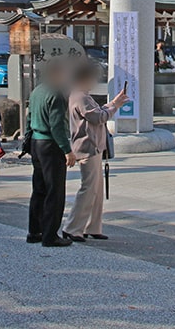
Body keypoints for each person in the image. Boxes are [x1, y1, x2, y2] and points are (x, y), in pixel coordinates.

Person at [62, 63, 129, 243]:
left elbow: (98, 112)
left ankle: (92, 226)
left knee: (96, 190)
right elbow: (98, 117)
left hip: (94, 146)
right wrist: (115, 107)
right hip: (88, 147)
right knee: (89, 188)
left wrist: (114, 103)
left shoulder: (82, 96)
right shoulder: (80, 96)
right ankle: (72, 227)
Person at [27, 59, 75, 247]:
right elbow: (57, 126)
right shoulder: (55, 94)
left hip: (36, 142)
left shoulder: (37, 91)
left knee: (39, 189)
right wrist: (67, 150)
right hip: (50, 144)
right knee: (55, 191)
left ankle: (34, 231)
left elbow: (29, 117)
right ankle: (50, 235)